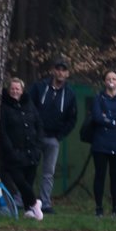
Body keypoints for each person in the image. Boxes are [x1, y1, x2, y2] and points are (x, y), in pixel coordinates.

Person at [27, 56, 78, 214]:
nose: (60, 73)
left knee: (48, 172)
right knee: (29, 168)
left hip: (53, 138)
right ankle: (25, 199)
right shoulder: (39, 87)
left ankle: (45, 202)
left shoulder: (69, 94)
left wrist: (60, 135)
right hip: (35, 136)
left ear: (67, 73)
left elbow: (72, 118)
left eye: (64, 70)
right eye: (58, 69)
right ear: (53, 71)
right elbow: (29, 107)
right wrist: (32, 130)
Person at [0, 76, 44, 220]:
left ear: (22, 90)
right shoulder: (3, 106)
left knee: (28, 182)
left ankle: (28, 209)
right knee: (20, 181)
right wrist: (10, 150)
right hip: (13, 153)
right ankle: (35, 203)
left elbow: (38, 125)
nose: (15, 91)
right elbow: (3, 131)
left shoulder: (29, 105)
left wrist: (38, 147)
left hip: (31, 152)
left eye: (17, 88)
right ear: (8, 90)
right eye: (12, 88)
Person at [89, 70, 116, 217]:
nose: (111, 81)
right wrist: (114, 122)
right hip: (101, 143)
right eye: (108, 78)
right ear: (104, 82)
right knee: (100, 175)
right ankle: (99, 207)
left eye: (114, 78)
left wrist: (108, 116)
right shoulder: (98, 98)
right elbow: (97, 117)